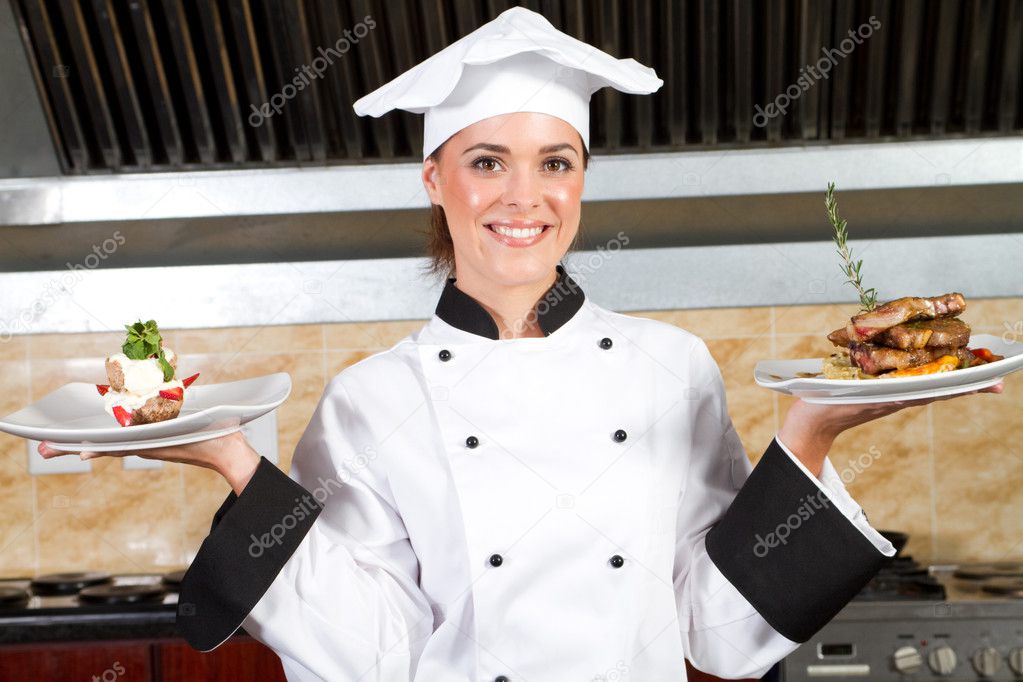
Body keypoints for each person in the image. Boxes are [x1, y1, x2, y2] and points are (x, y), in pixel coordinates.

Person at [40, 7, 1002, 681]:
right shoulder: (370, 398)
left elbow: (714, 631)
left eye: (555, 163)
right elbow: (374, 653)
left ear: (582, 179)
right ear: (434, 180)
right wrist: (233, 464)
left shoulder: (673, 369)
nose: (523, 198)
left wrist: (811, 439)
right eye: (487, 162)